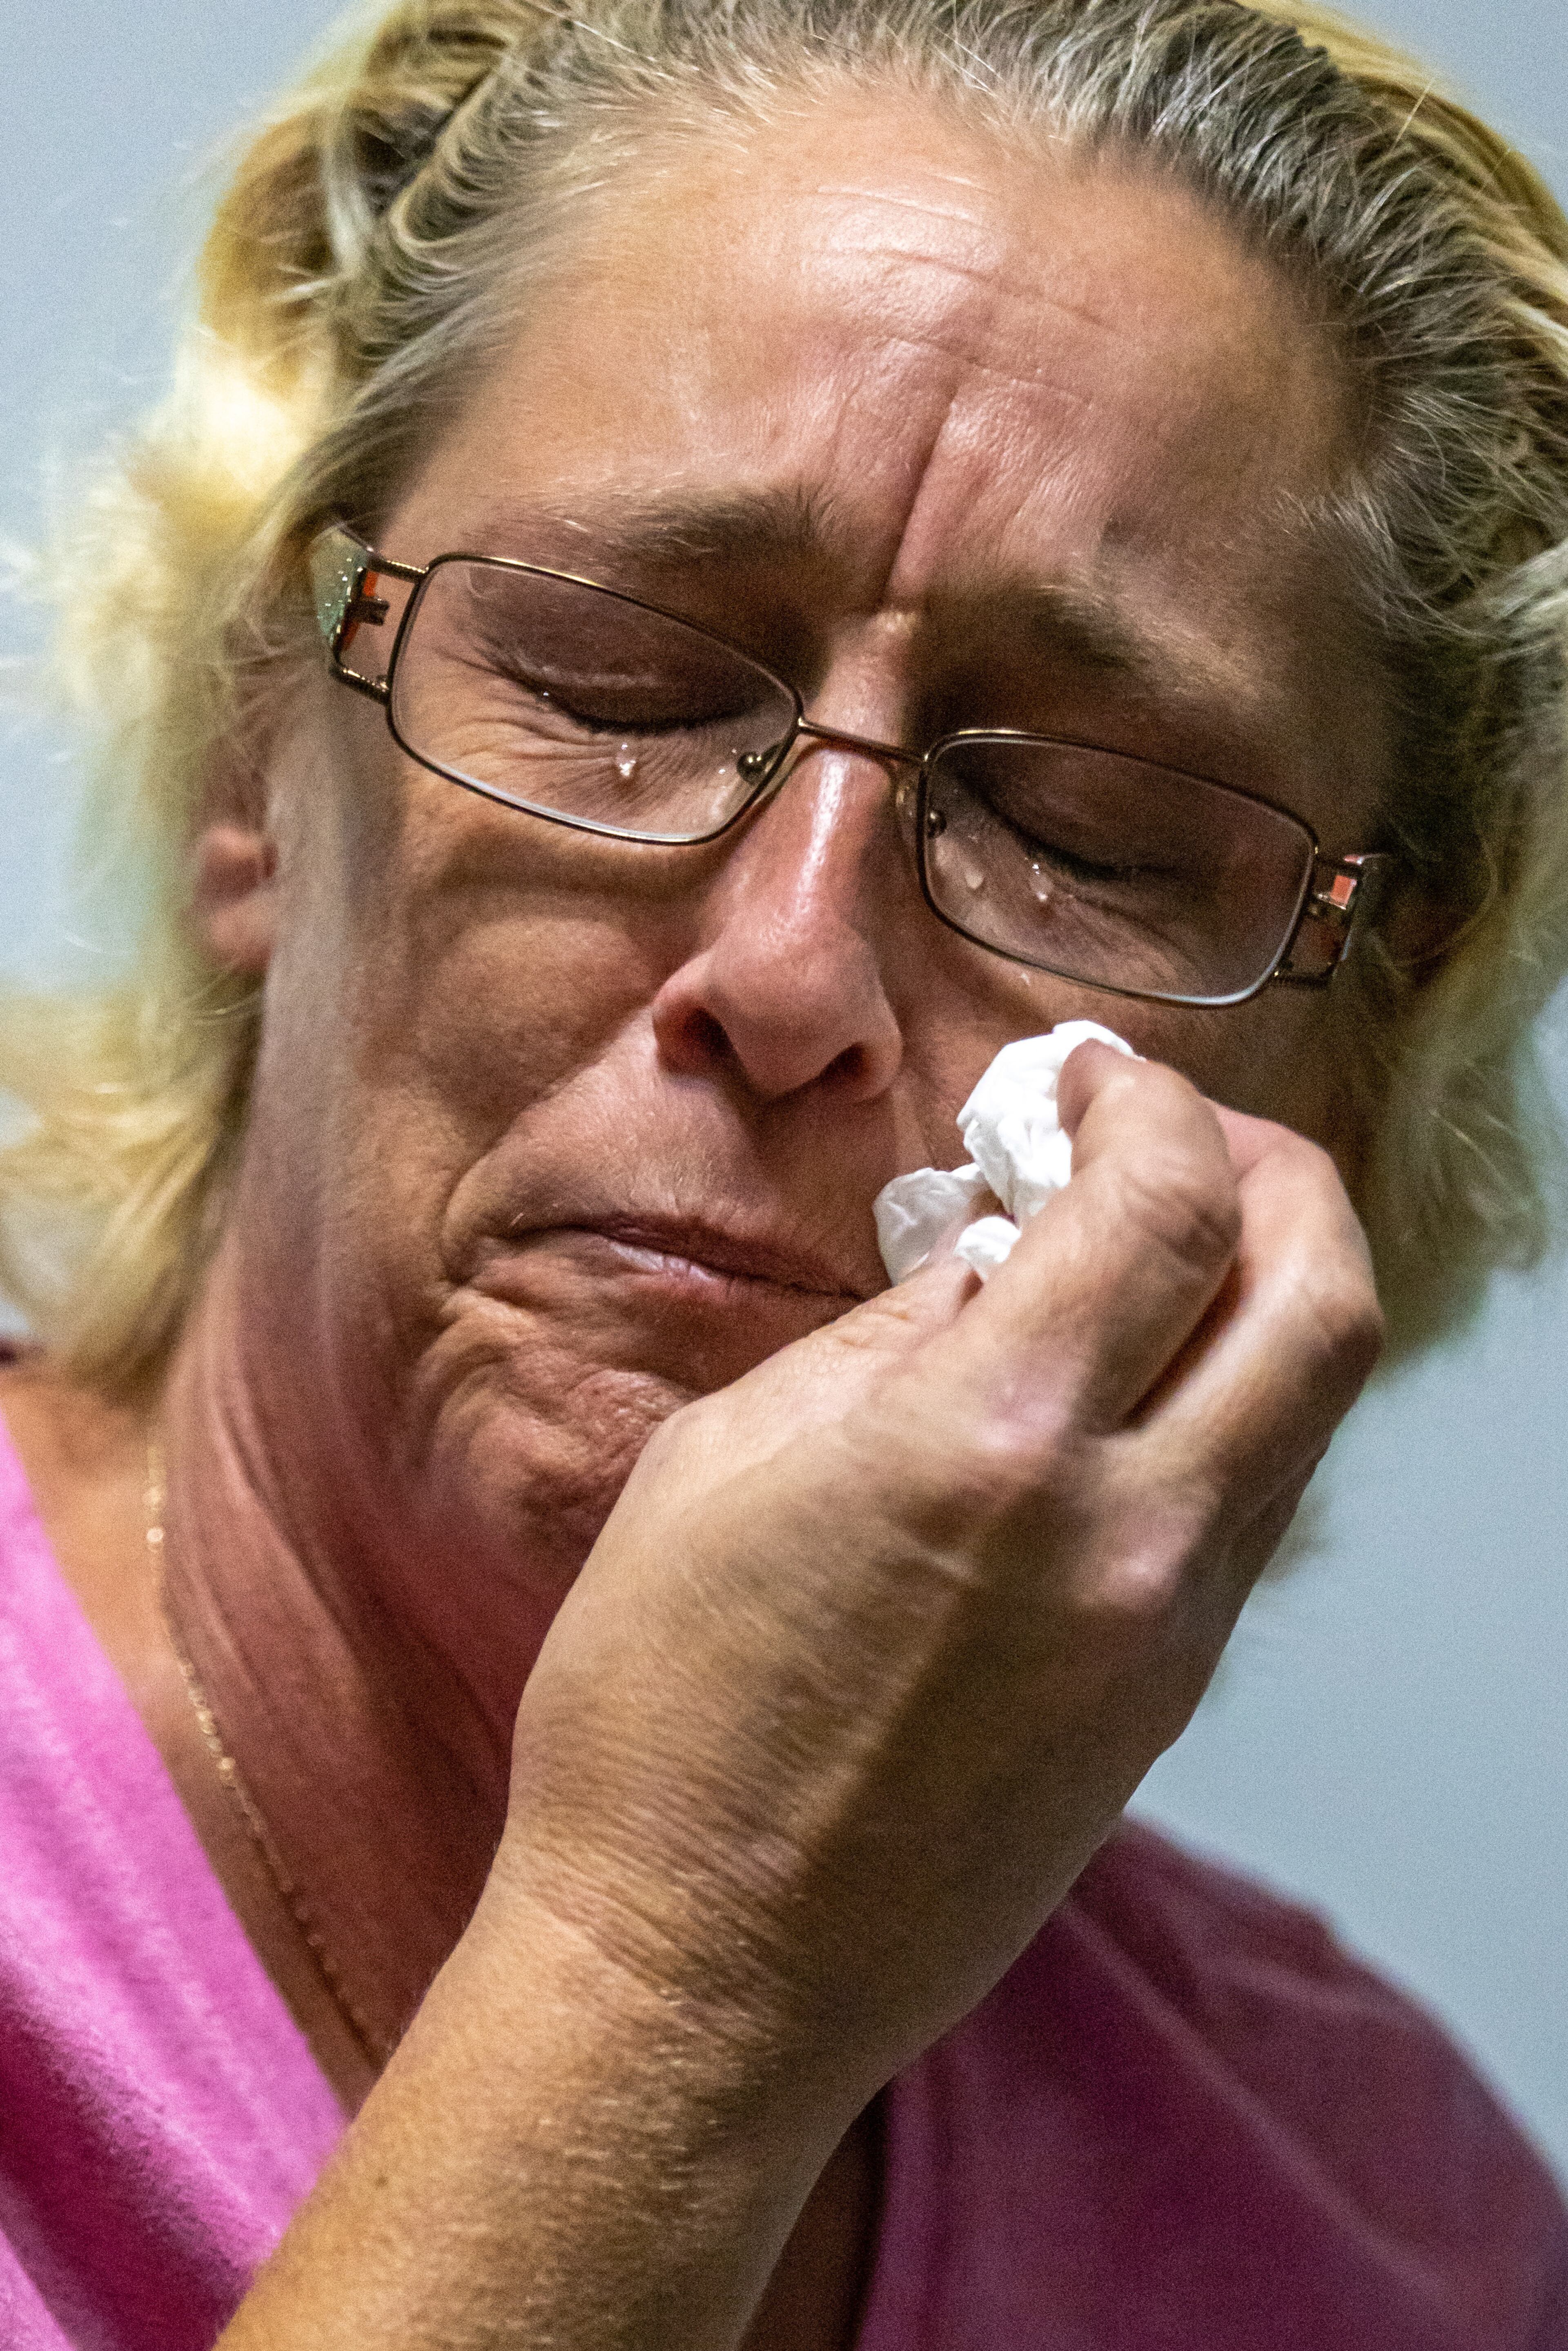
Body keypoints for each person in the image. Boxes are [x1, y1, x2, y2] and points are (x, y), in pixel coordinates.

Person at [1, 0, 1566, 2342]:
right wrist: (669, 1979)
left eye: (1085, 833)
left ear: (1350, 1066)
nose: (792, 960)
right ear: (263, 767)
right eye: (612, 691)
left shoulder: (1384, 2245)